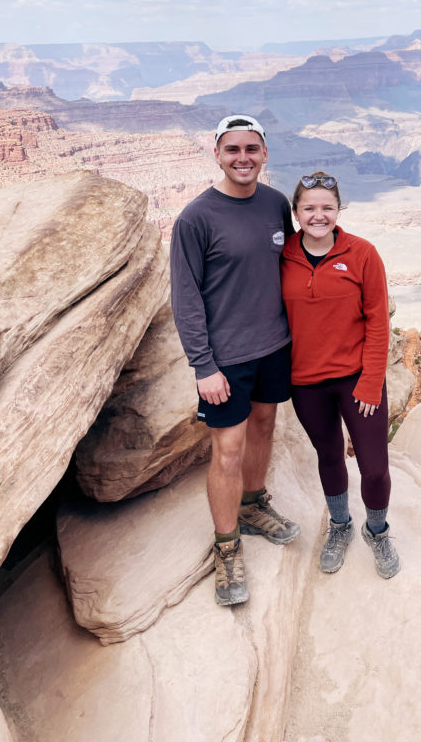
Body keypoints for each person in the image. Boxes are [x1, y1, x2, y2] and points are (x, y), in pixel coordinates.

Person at [170, 114, 300, 607]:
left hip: (274, 346)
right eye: (233, 150)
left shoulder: (273, 205)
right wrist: (204, 366)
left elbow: (288, 264)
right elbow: (186, 297)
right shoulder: (195, 219)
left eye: (252, 149)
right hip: (225, 360)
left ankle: (253, 503)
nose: (242, 158)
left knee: (265, 425)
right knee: (226, 450)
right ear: (217, 154)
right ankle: (227, 547)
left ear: (265, 154)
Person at [280, 172, 400, 579]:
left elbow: (378, 321)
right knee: (329, 455)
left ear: (338, 210)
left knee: (374, 466)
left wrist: (370, 381)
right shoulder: (282, 256)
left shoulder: (362, 253)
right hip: (306, 382)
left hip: (356, 380)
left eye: (327, 208)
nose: (318, 215)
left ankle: (378, 531)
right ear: (296, 212)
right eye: (309, 208)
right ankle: (340, 526)